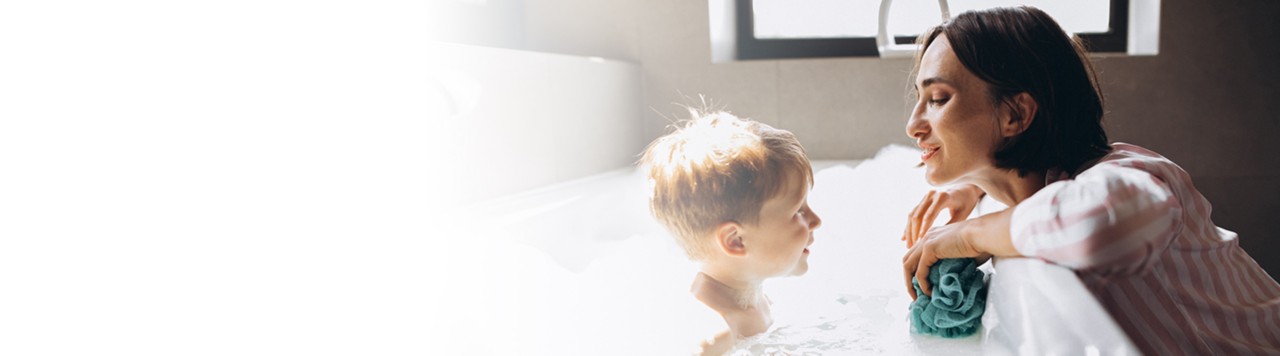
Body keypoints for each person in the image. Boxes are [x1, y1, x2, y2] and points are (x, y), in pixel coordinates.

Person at [898, 6, 1280, 355]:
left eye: (938, 98)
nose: (913, 125)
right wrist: (978, 183)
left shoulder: (1128, 173)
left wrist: (968, 235)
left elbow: (1102, 223)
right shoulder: (1043, 181)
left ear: (1015, 115)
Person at [639, 110, 823, 353]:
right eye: (798, 211)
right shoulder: (710, 336)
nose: (816, 221)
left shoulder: (755, 297)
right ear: (735, 241)